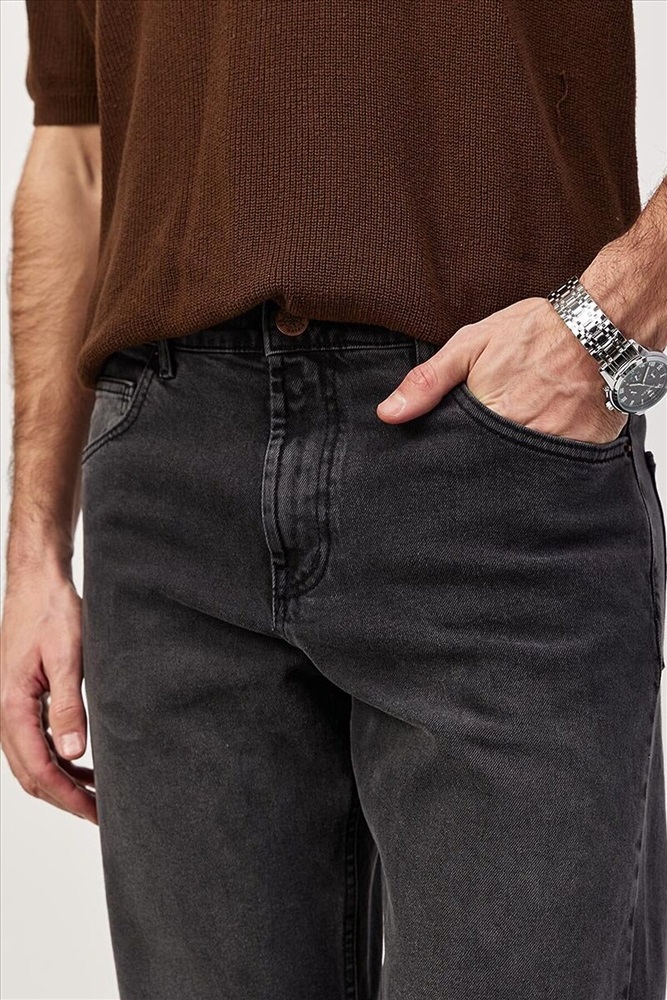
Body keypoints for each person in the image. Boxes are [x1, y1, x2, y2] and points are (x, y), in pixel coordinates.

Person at [1, 1, 666, 997]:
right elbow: (75, 151)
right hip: (171, 498)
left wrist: (609, 327)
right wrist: (35, 553)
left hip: (490, 471)